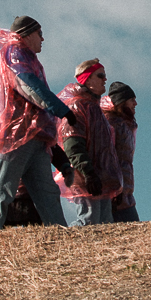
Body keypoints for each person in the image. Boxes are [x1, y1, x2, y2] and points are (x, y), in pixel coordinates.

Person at [0, 16, 77, 230]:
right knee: (4, 187)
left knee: (47, 191)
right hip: (16, 135)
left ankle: (60, 232)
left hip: (34, 136)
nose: (43, 38)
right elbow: (28, 85)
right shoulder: (15, 53)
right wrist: (61, 110)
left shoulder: (27, 56)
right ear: (27, 34)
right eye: (39, 33)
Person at [56, 59, 122, 226]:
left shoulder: (96, 110)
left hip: (102, 181)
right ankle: (67, 246)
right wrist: (88, 173)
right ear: (87, 79)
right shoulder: (78, 107)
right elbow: (72, 144)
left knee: (105, 227)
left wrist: (114, 181)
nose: (104, 80)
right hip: (87, 179)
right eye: (100, 76)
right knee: (88, 222)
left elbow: (107, 152)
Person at [100, 80, 139, 223]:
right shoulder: (110, 124)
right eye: (132, 100)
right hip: (114, 191)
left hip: (125, 191)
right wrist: (115, 187)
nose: (135, 104)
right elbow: (107, 158)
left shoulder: (126, 125)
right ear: (122, 102)